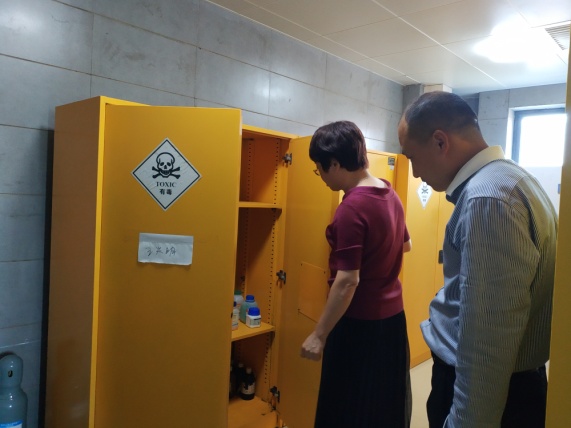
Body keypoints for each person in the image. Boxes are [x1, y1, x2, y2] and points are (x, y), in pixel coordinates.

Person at [398, 91, 558, 428]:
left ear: (440, 142)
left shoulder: (488, 199)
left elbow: (488, 343)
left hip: (493, 393)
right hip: (514, 384)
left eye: (412, 157)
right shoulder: (513, 180)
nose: (414, 173)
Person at [300, 120, 412, 427]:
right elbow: (407, 245)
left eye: (319, 168)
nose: (321, 176)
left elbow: (348, 280)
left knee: (347, 408)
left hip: (359, 325)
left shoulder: (351, 207)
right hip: (392, 321)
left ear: (335, 164)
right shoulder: (389, 193)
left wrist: (319, 335)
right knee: (381, 407)